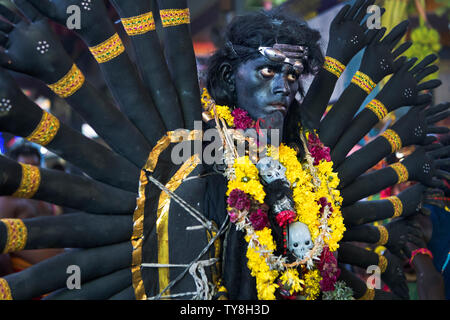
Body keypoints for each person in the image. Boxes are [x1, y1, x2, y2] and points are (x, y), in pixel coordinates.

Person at [0, 0, 448, 300]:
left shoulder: (308, 158)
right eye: (269, 69)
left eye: (293, 75)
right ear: (232, 76)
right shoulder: (187, 152)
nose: (282, 86)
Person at [0, 142, 63, 277]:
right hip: (29, 280)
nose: (31, 173)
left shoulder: (49, 199)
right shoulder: (7, 200)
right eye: (25, 168)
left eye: (35, 167)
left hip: (63, 273)